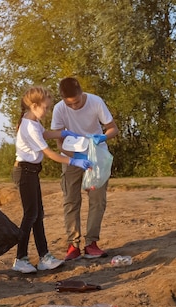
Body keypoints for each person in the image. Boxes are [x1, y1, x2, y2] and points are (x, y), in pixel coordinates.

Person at [11, 86, 92, 273]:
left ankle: (44, 256)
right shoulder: (29, 126)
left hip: (31, 172)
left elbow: (45, 134)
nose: (47, 111)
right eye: (45, 108)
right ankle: (20, 258)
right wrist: (74, 160)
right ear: (33, 105)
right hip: (25, 172)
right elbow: (49, 153)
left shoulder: (32, 121)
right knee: (30, 215)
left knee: (38, 215)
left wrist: (63, 133)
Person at [49, 77, 119, 260]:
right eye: (68, 103)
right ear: (63, 98)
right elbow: (59, 141)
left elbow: (113, 128)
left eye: (77, 102)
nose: (73, 106)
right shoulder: (59, 109)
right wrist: (75, 158)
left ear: (81, 92)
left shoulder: (96, 102)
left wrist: (102, 138)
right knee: (71, 200)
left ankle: (92, 243)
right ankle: (73, 245)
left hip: (97, 158)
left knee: (97, 200)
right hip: (73, 159)